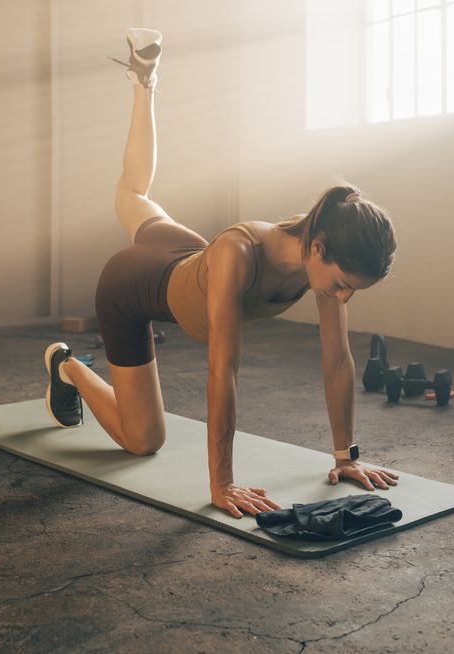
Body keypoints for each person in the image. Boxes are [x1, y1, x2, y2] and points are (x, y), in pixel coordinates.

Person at [44, 28, 400, 519]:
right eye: (342, 285)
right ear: (318, 248)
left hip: (184, 253)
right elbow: (222, 371)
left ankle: (142, 80)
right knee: (143, 440)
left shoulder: (318, 257)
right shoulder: (242, 251)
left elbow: (338, 361)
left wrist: (345, 458)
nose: (341, 298)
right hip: (133, 286)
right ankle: (67, 367)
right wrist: (222, 483)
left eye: (351, 292)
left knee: (131, 191)